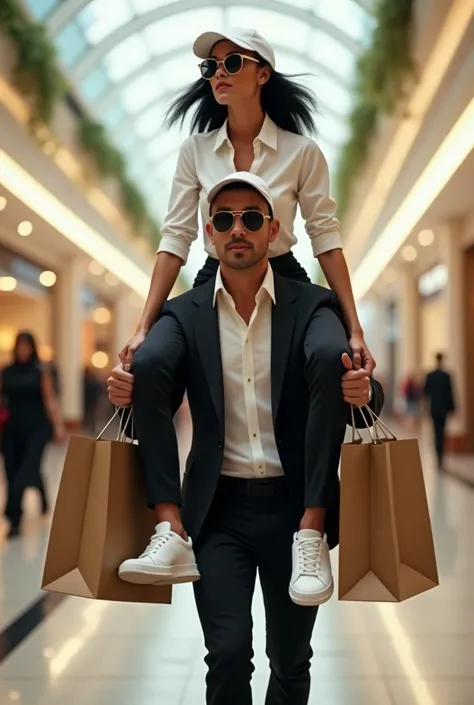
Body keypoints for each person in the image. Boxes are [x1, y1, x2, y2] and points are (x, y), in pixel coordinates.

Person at [108, 173, 384, 705]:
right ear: (209, 233)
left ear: (274, 231)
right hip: (217, 513)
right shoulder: (182, 316)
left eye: (252, 218)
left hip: (296, 514)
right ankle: (169, 533)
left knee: (291, 660)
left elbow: (354, 394)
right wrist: (128, 391)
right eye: (225, 220)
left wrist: (364, 390)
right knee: (228, 655)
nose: (238, 229)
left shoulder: (314, 307)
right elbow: (156, 401)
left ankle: (313, 524)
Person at [119, 27, 375, 378]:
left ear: (263, 73)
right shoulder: (195, 151)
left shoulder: (302, 152)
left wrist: (354, 329)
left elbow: (326, 238)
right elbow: (176, 238)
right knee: (150, 361)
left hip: (284, 276)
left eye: (233, 62)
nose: (220, 72)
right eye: (211, 66)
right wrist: (143, 327)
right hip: (215, 276)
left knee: (333, 354)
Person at [0, 332, 66, 538]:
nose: (23, 350)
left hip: (37, 427)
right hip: (12, 428)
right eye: (20, 346)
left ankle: (13, 512)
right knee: (12, 471)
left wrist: (58, 426)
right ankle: (18, 517)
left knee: (27, 468)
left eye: (27, 346)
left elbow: (50, 400)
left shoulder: (40, 372)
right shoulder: (7, 372)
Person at [424, 352, 455, 470]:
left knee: (436, 432)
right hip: (444, 409)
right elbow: (450, 393)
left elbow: (425, 393)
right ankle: (440, 457)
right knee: (442, 432)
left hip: (434, 408)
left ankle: (438, 455)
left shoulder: (430, 375)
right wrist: (452, 408)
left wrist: (425, 407)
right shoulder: (447, 376)